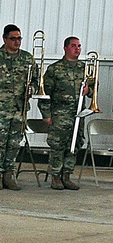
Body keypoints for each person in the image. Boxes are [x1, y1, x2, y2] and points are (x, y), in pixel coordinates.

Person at [0, 25, 38, 190]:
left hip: (19, 108)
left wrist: (31, 90)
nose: (17, 42)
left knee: (14, 143)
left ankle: (9, 175)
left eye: (19, 38)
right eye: (13, 38)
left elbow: (35, 81)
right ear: (5, 39)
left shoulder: (27, 59)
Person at [41, 36, 92, 190]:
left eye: (79, 46)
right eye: (73, 46)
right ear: (65, 48)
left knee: (74, 145)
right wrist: (46, 114)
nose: (77, 49)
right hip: (59, 115)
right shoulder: (55, 69)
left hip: (77, 115)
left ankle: (67, 175)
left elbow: (93, 90)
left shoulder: (85, 69)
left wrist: (89, 90)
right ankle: (55, 176)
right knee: (57, 145)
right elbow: (45, 94)